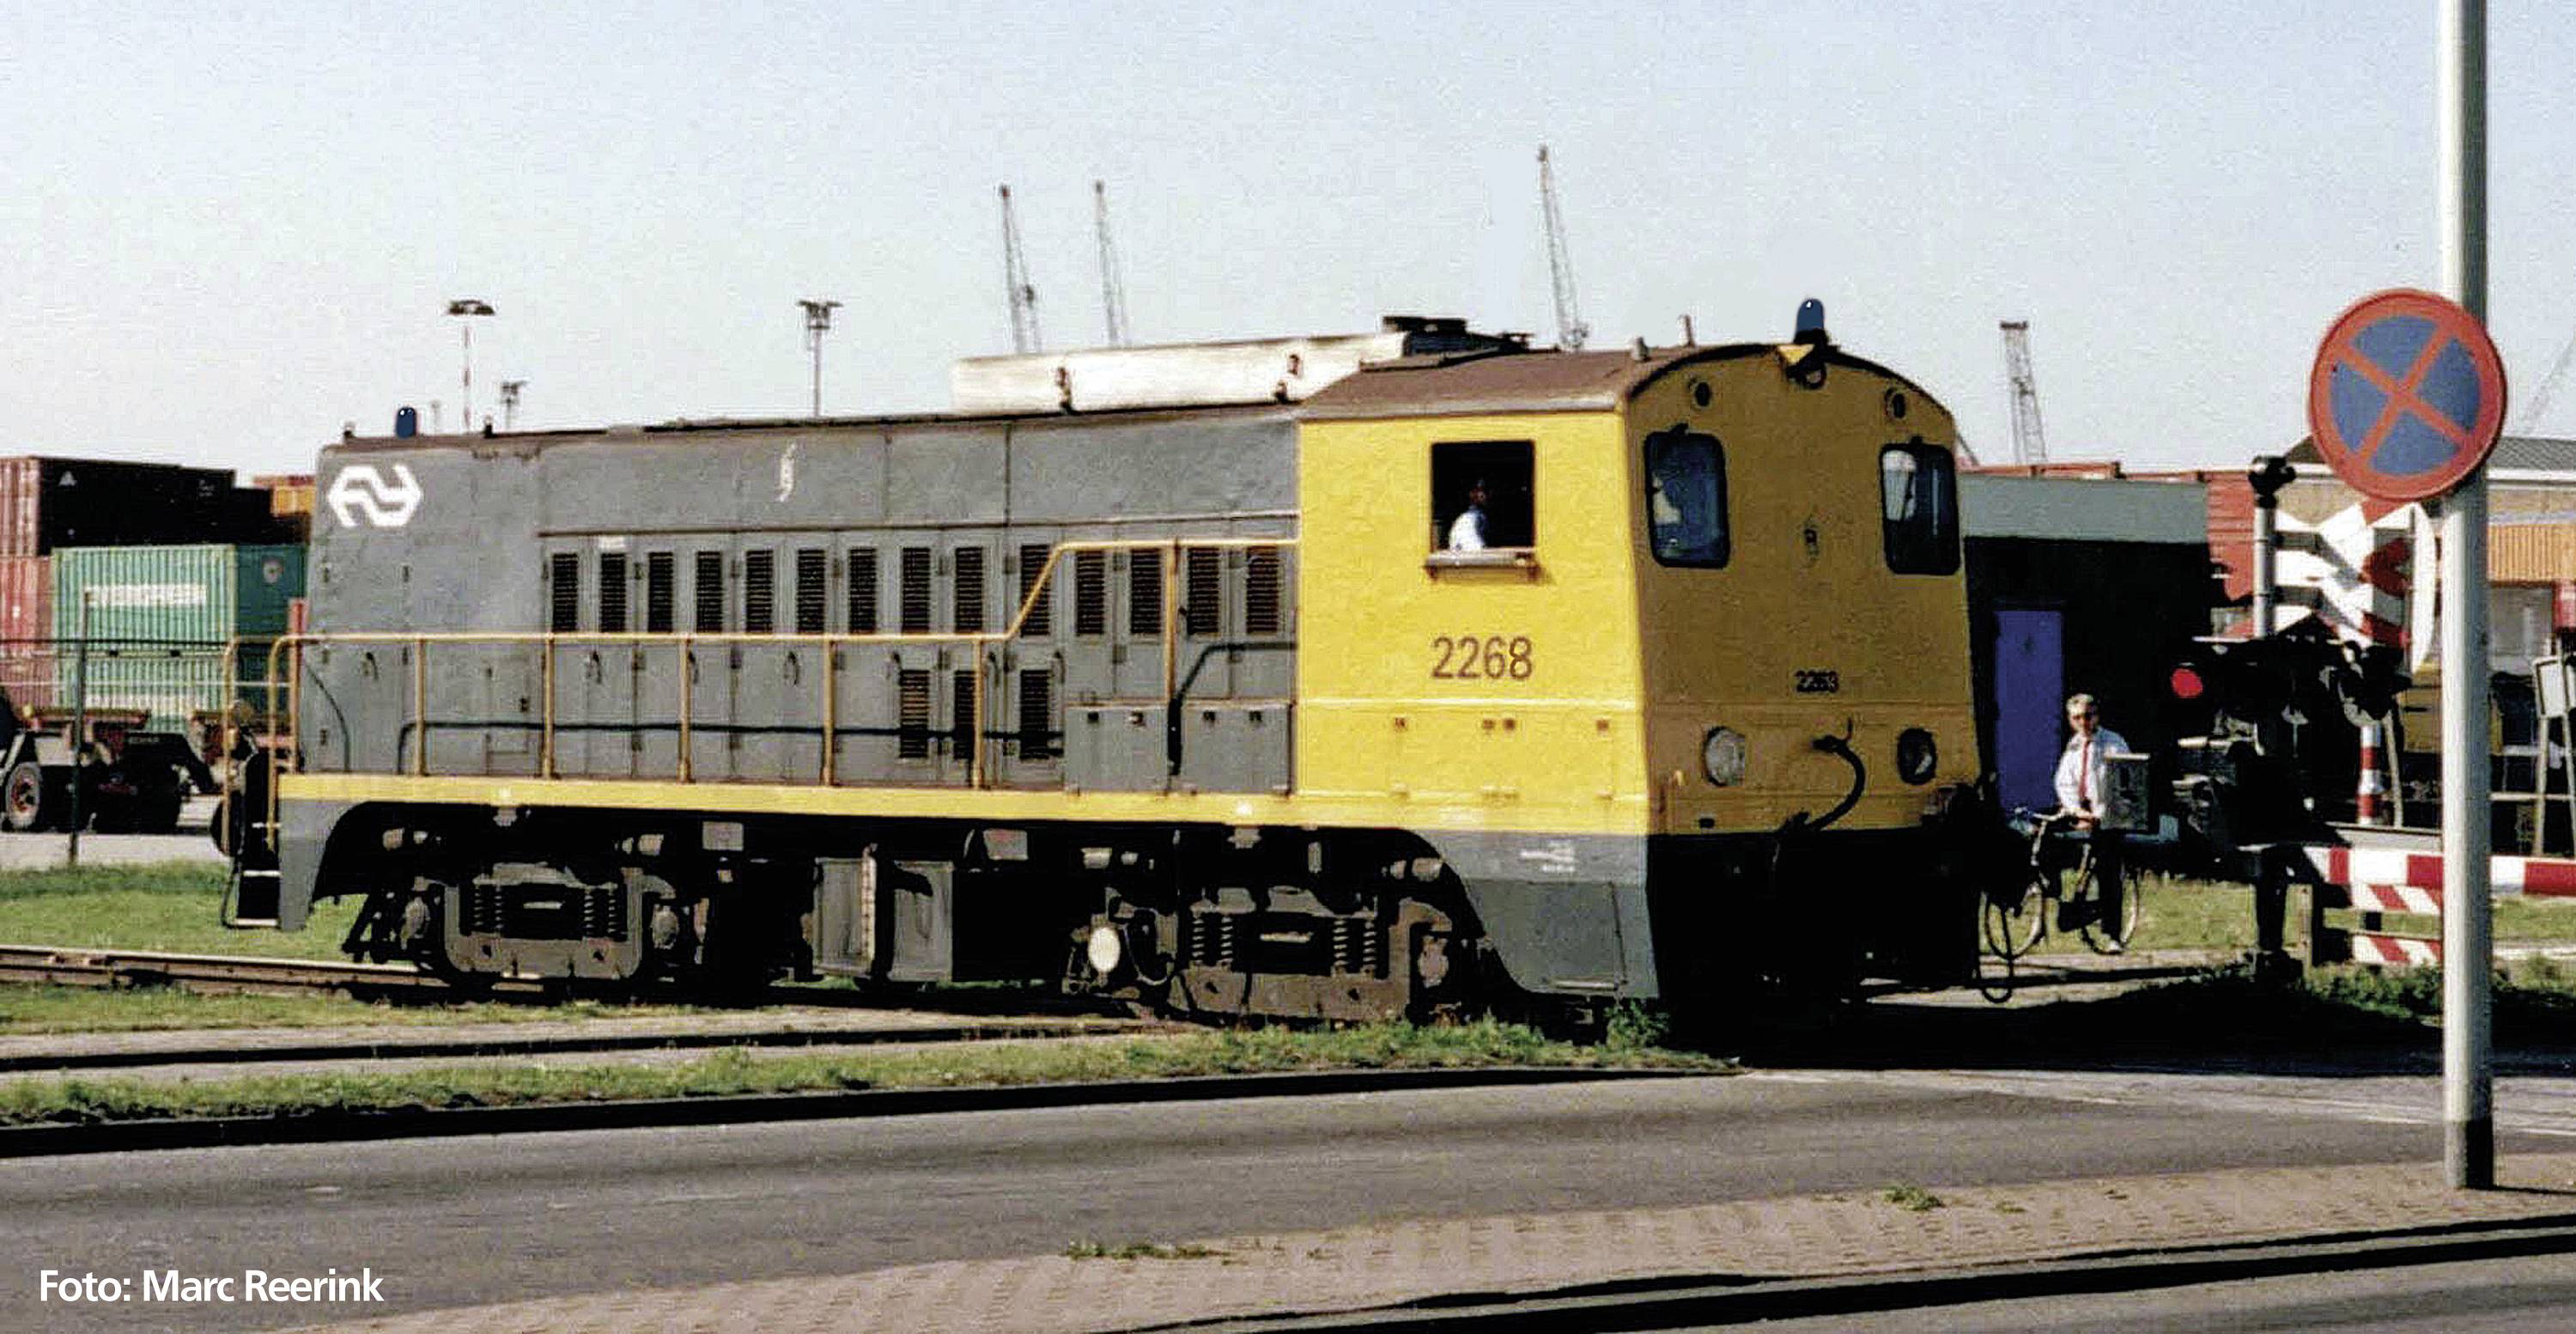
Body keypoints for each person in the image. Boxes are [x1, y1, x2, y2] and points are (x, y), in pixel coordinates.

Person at [2050, 692, 2129, 932]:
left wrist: (2099, 814)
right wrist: (2075, 810)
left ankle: (2112, 932)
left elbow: (2119, 782)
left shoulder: (2113, 743)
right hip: (2080, 813)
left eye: (2088, 716)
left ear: (2097, 716)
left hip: (2107, 816)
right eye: (2077, 718)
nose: (2083, 723)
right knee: (2044, 839)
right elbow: (2065, 782)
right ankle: (2060, 901)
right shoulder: (2073, 746)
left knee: (2108, 870)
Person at [1447, 479, 1491, 551]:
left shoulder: (1481, 517)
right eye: (1481, 490)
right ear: (1471, 494)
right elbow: (1474, 552)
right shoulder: (1468, 519)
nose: (1484, 495)